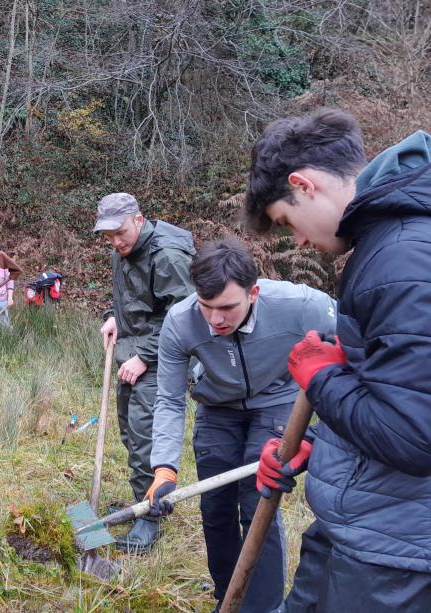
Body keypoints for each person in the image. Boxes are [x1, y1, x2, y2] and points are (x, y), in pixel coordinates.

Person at [243, 108, 431, 610]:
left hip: (395, 553)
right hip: (360, 524)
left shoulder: (405, 258)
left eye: (287, 223)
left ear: (303, 185)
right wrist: (315, 444)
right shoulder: (386, 243)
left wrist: (322, 376)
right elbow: (393, 389)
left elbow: (413, 434)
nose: (299, 241)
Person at [146, 238, 336, 613]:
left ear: (254, 292)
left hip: (278, 401)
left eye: (227, 307)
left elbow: (357, 338)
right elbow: (168, 398)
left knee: (258, 498)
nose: (216, 319)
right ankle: (228, 600)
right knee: (215, 506)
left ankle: (261, 607)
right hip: (217, 408)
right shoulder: (181, 321)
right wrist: (164, 465)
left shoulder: (301, 304)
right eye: (207, 306)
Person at [93, 192, 195, 552]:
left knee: (145, 437)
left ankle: (149, 520)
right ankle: (143, 498)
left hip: (163, 358)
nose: (116, 242)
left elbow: (185, 316)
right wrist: (113, 317)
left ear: (138, 219)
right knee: (130, 432)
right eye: (109, 236)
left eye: (120, 232)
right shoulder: (122, 252)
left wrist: (146, 357)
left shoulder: (167, 255)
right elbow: (125, 296)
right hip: (131, 350)